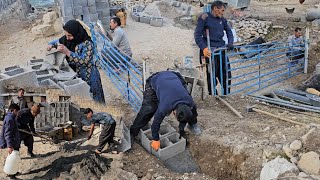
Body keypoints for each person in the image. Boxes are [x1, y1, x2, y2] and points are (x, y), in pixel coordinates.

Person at [130, 71, 201, 152]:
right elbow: (155, 123)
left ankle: (192, 125)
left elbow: (192, 113)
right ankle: (133, 132)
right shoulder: (165, 106)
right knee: (149, 109)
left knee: (191, 114)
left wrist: (181, 131)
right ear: (174, 113)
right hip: (155, 80)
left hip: (174, 76)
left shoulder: (190, 102)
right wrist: (156, 139)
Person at [47, 20, 105, 104]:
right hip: (76, 75)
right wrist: (50, 45)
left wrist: (68, 52)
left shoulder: (87, 43)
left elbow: (84, 61)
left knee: (95, 100)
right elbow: (55, 42)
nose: (67, 38)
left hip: (89, 77)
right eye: (66, 35)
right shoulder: (66, 39)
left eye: (70, 36)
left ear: (76, 33)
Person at [194, 0, 233, 95]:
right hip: (209, 50)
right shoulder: (204, 17)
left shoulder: (222, 20)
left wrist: (230, 43)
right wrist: (204, 48)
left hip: (221, 49)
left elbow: (229, 32)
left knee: (226, 73)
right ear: (215, 8)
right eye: (222, 10)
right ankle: (213, 95)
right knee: (211, 74)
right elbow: (197, 35)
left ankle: (226, 94)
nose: (223, 13)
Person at [0, 104, 20, 179]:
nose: (17, 113)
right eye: (17, 111)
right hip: (12, 142)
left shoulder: (11, 117)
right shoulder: (10, 119)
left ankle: (12, 172)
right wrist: (9, 146)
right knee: (13, 157)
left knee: (12, 157)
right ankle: (11, 175)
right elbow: (8, 133)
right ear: (13, 110)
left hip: (13, 141)